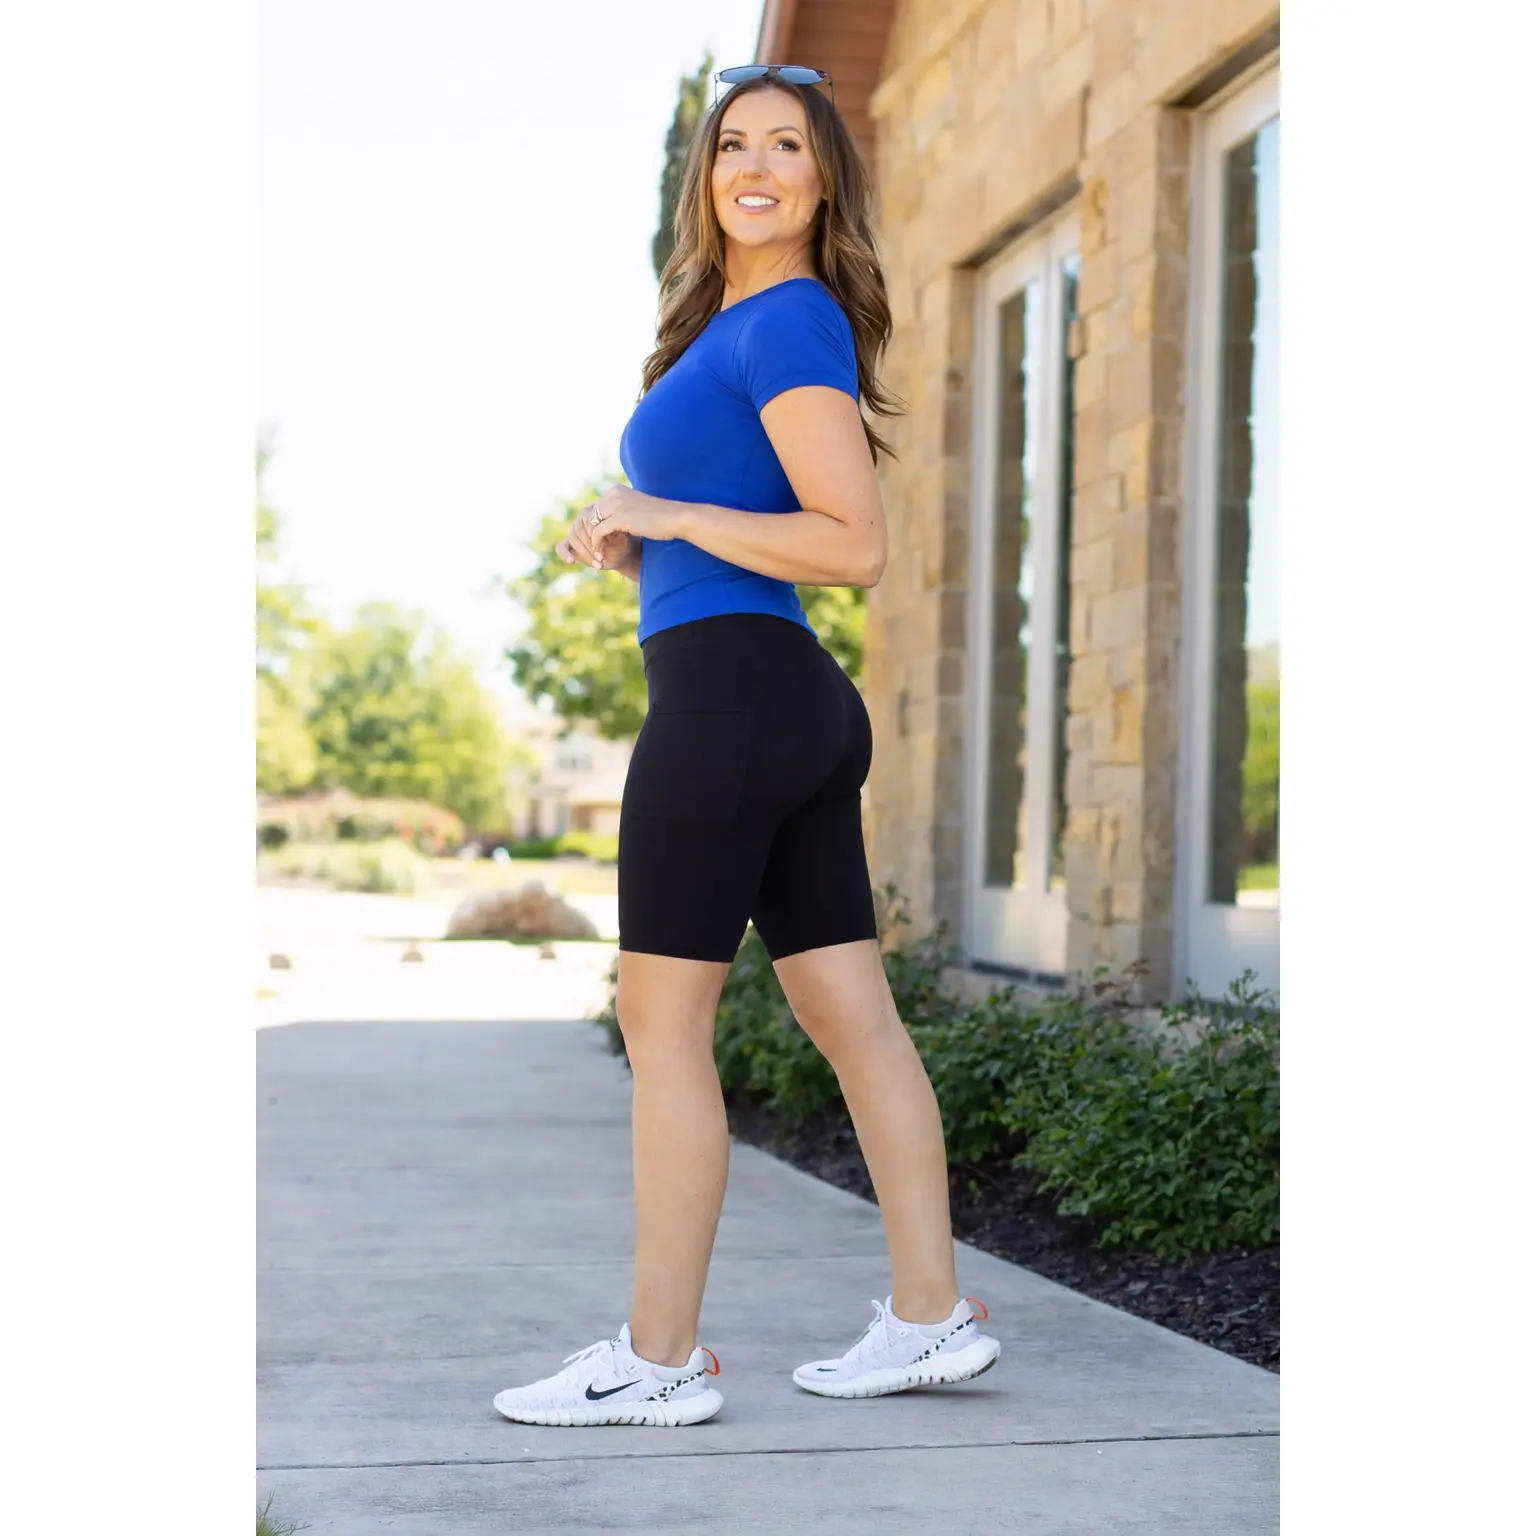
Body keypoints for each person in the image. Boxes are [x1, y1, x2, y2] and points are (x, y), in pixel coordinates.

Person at [492, 64, 999, 1429]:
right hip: (775, 698)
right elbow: (745, 526)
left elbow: (855, 544)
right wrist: (643, 539)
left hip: (730, 705)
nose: (756, 166)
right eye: (733, 145)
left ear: (825, 178)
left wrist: (662, 511)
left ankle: (656, 1362)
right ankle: (931, 1317)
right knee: (852, 1020)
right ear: (706, 176)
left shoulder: (787, 320)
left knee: (661, 1026)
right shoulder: (735, 323)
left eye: (788, 145)